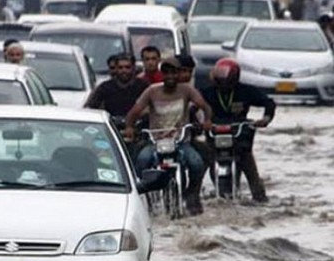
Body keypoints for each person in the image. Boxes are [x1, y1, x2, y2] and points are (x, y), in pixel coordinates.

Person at [125, 57, 213, 215]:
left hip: (181, 142)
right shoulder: (152, 91)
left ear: (179, 74)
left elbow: (205, 107)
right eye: (166, 73)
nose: (170, 76)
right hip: (156, 142)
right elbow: (133, 112)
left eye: (174, 73)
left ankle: (192, 194)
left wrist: (207, 120)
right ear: (162, 74)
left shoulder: (187, 90)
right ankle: (147, 200)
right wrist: (130, 127)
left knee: (197, 163)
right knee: (142, 160)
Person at [199, 58, 276, 203]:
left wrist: (265, 119)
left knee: (249, 165)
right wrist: (200, 123)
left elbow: (268, 103)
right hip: (214, 134)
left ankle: (259, 197)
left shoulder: (246, 91)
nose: (223, 85)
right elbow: (193, 107)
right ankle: (193, 196)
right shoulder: (207, 92)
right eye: (219, 81)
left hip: (239, 135)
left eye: (226, 81)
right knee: (202, 162)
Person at [84, 53, 148, 117]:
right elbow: (90, 109)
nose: (124, 70)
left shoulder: (143, 87)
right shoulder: (104, 88)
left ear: (133, 68)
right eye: (120, 67)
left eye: (127, 67)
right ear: (116, 69)